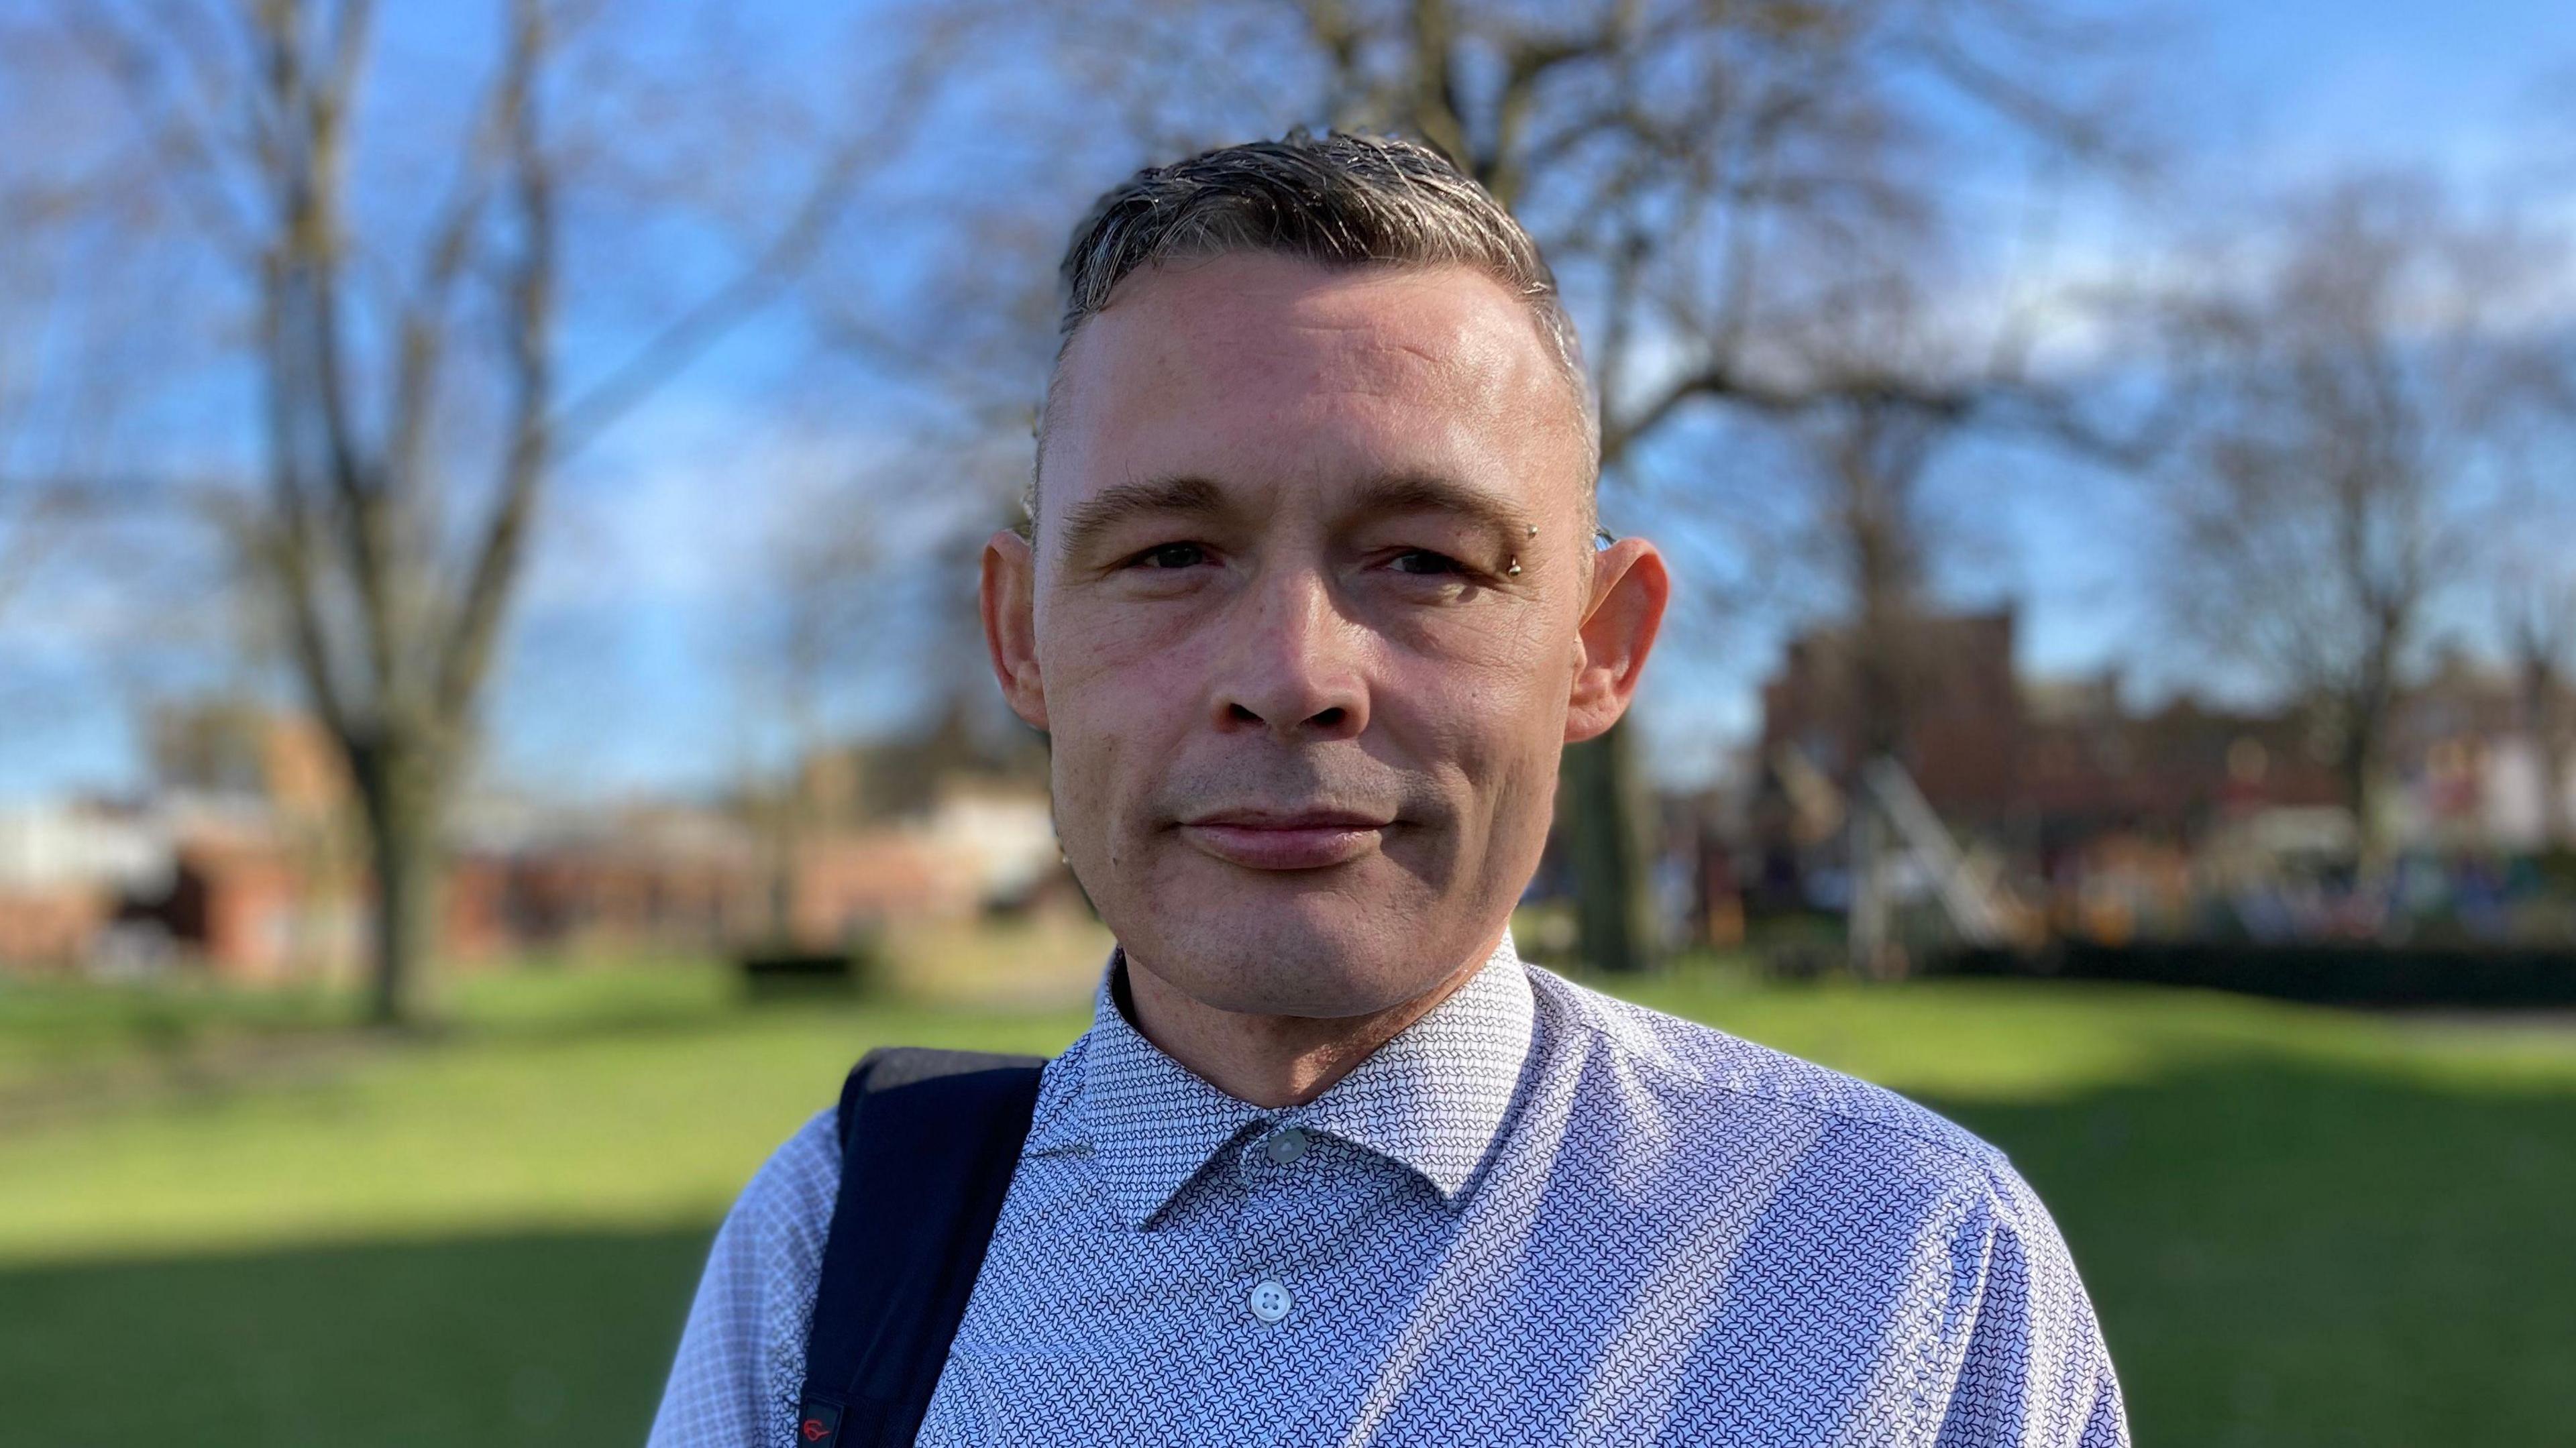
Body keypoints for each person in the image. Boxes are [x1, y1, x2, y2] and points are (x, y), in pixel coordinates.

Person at [648, 131, 2127, 1447]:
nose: (1294, 675)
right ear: (1023, 636)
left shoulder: (1913, 1276)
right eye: (1170, 554)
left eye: (1424, 559)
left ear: (1601, 651)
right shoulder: (832, 1246)